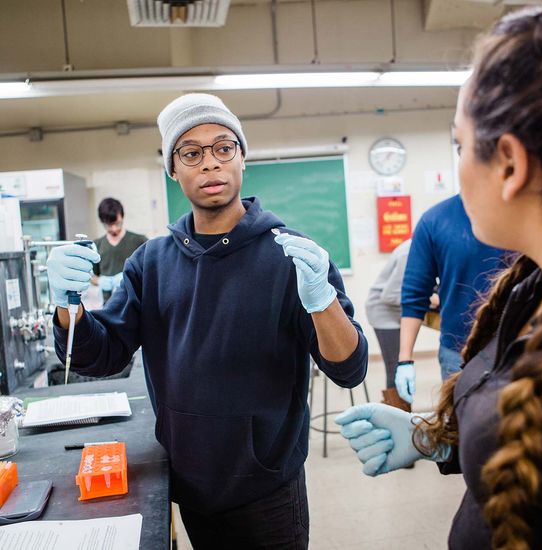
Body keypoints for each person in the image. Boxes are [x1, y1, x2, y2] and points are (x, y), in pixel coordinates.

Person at [46, 93, 368, 548]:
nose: (210, 164)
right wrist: (67, 305)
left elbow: (348, 368)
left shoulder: (292, 255)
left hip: (267, 488)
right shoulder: (150, 263)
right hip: (188, 481)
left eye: (223, 148)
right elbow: (100, 355)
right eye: (191, 153)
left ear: (242, 158)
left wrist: (322, 303)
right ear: (172, 170)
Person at [336, 6, 542, 549]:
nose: (456, 164)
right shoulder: (526, 289)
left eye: (459, 145)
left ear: (508, 163)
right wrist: (437, 439)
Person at [395, 192, 507, 404]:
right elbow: (414, 295)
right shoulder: (435, 220)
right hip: (458, 352)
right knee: (459, 432)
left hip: (522, 347)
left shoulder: (525, 209)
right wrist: (405, 360)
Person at [366, 239, 411, 411]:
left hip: (395, 312)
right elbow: (389, 295)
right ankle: (398, 417)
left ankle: (401, 412)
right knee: (396, 367)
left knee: (400, 365)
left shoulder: (417, 248)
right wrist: (426, 299)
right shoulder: (408, 252)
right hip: (384, 312)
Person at [91, 197, 147, 303]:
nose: (114, 229)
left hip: (136, 304)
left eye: (117, 223)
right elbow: (92, 276)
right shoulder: (97, 245)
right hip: (108, 305)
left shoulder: (140, 241)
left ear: (122, 217)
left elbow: (152, 270)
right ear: (102, 222)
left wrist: (131, 278)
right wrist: (100, 281)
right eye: (109, 225)